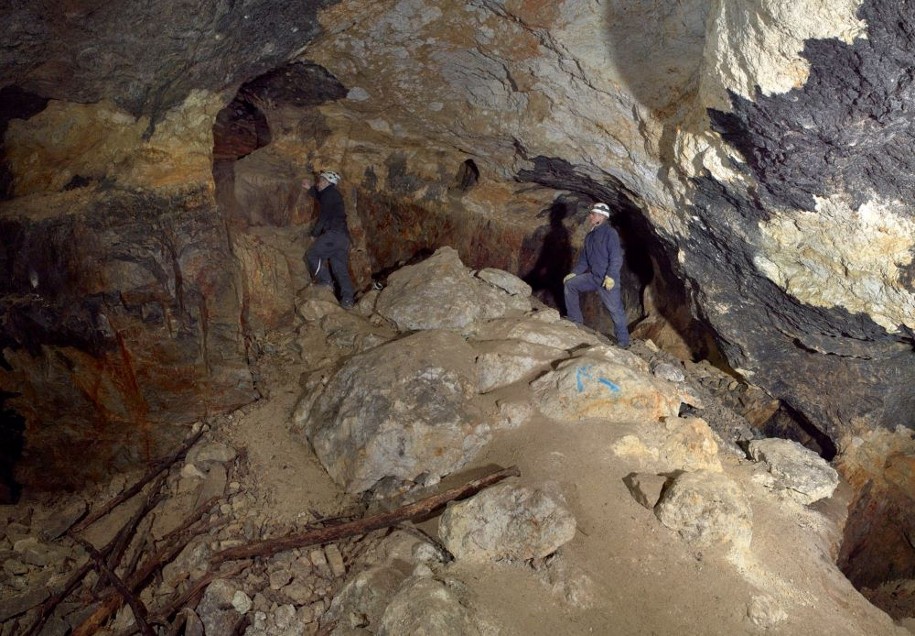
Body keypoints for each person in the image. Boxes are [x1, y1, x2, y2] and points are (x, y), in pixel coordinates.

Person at [563, 202, 630, 348]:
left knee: (615, 310)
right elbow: (584, 260)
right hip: (593, 277)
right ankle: (575, 321)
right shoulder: (590, 236)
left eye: (593, 214)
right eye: (591, 214)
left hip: (607, 279)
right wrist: (574, 273)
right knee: (571, 285)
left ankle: (624, 342)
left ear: (601, 216)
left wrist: (611, 276)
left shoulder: (610, 233)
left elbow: (616, 257)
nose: (590, 216)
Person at [302, 170, 355, 309]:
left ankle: (325, 282)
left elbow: (324, 215)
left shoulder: (330, 194)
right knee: (340, 269)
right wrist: (311, 189)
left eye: (320, 181)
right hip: (343, 239)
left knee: (312, 254)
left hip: (333, 234)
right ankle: (348, 300)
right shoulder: (332, 195)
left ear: (326, 182)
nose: (318, 183)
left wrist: (314, 234)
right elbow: (321, 195)